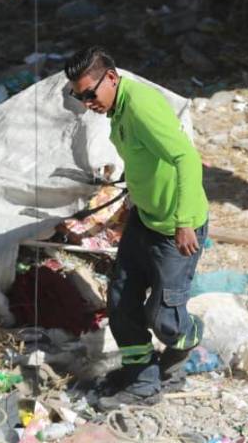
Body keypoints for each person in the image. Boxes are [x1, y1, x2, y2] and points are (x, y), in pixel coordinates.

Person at [63, 47, 208, 409]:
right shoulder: (118, 107)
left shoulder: (141, 106)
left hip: (175, 229)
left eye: (89, 95)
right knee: (121, 301)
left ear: (111, 77)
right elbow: (143, 159)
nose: (87, 104)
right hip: (144, 219)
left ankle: (188, 338)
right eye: (79, 98)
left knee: (165, 319)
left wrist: (184, 222)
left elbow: (186, 158)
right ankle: (142, 379)